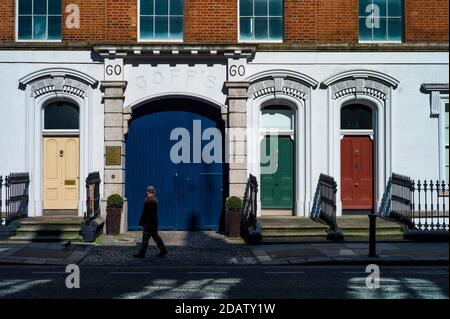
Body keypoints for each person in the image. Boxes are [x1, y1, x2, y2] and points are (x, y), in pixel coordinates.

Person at [133, 186, 168, 258]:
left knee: (147, 238)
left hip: (149, 223)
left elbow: (150, 214)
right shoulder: (150, 199)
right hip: (151, 223)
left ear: (149, 192)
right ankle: (163, 250)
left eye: (147, 191)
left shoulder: (152, 201)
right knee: (154, 238)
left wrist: (147, 224)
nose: (146, 192)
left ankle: (142, 253)